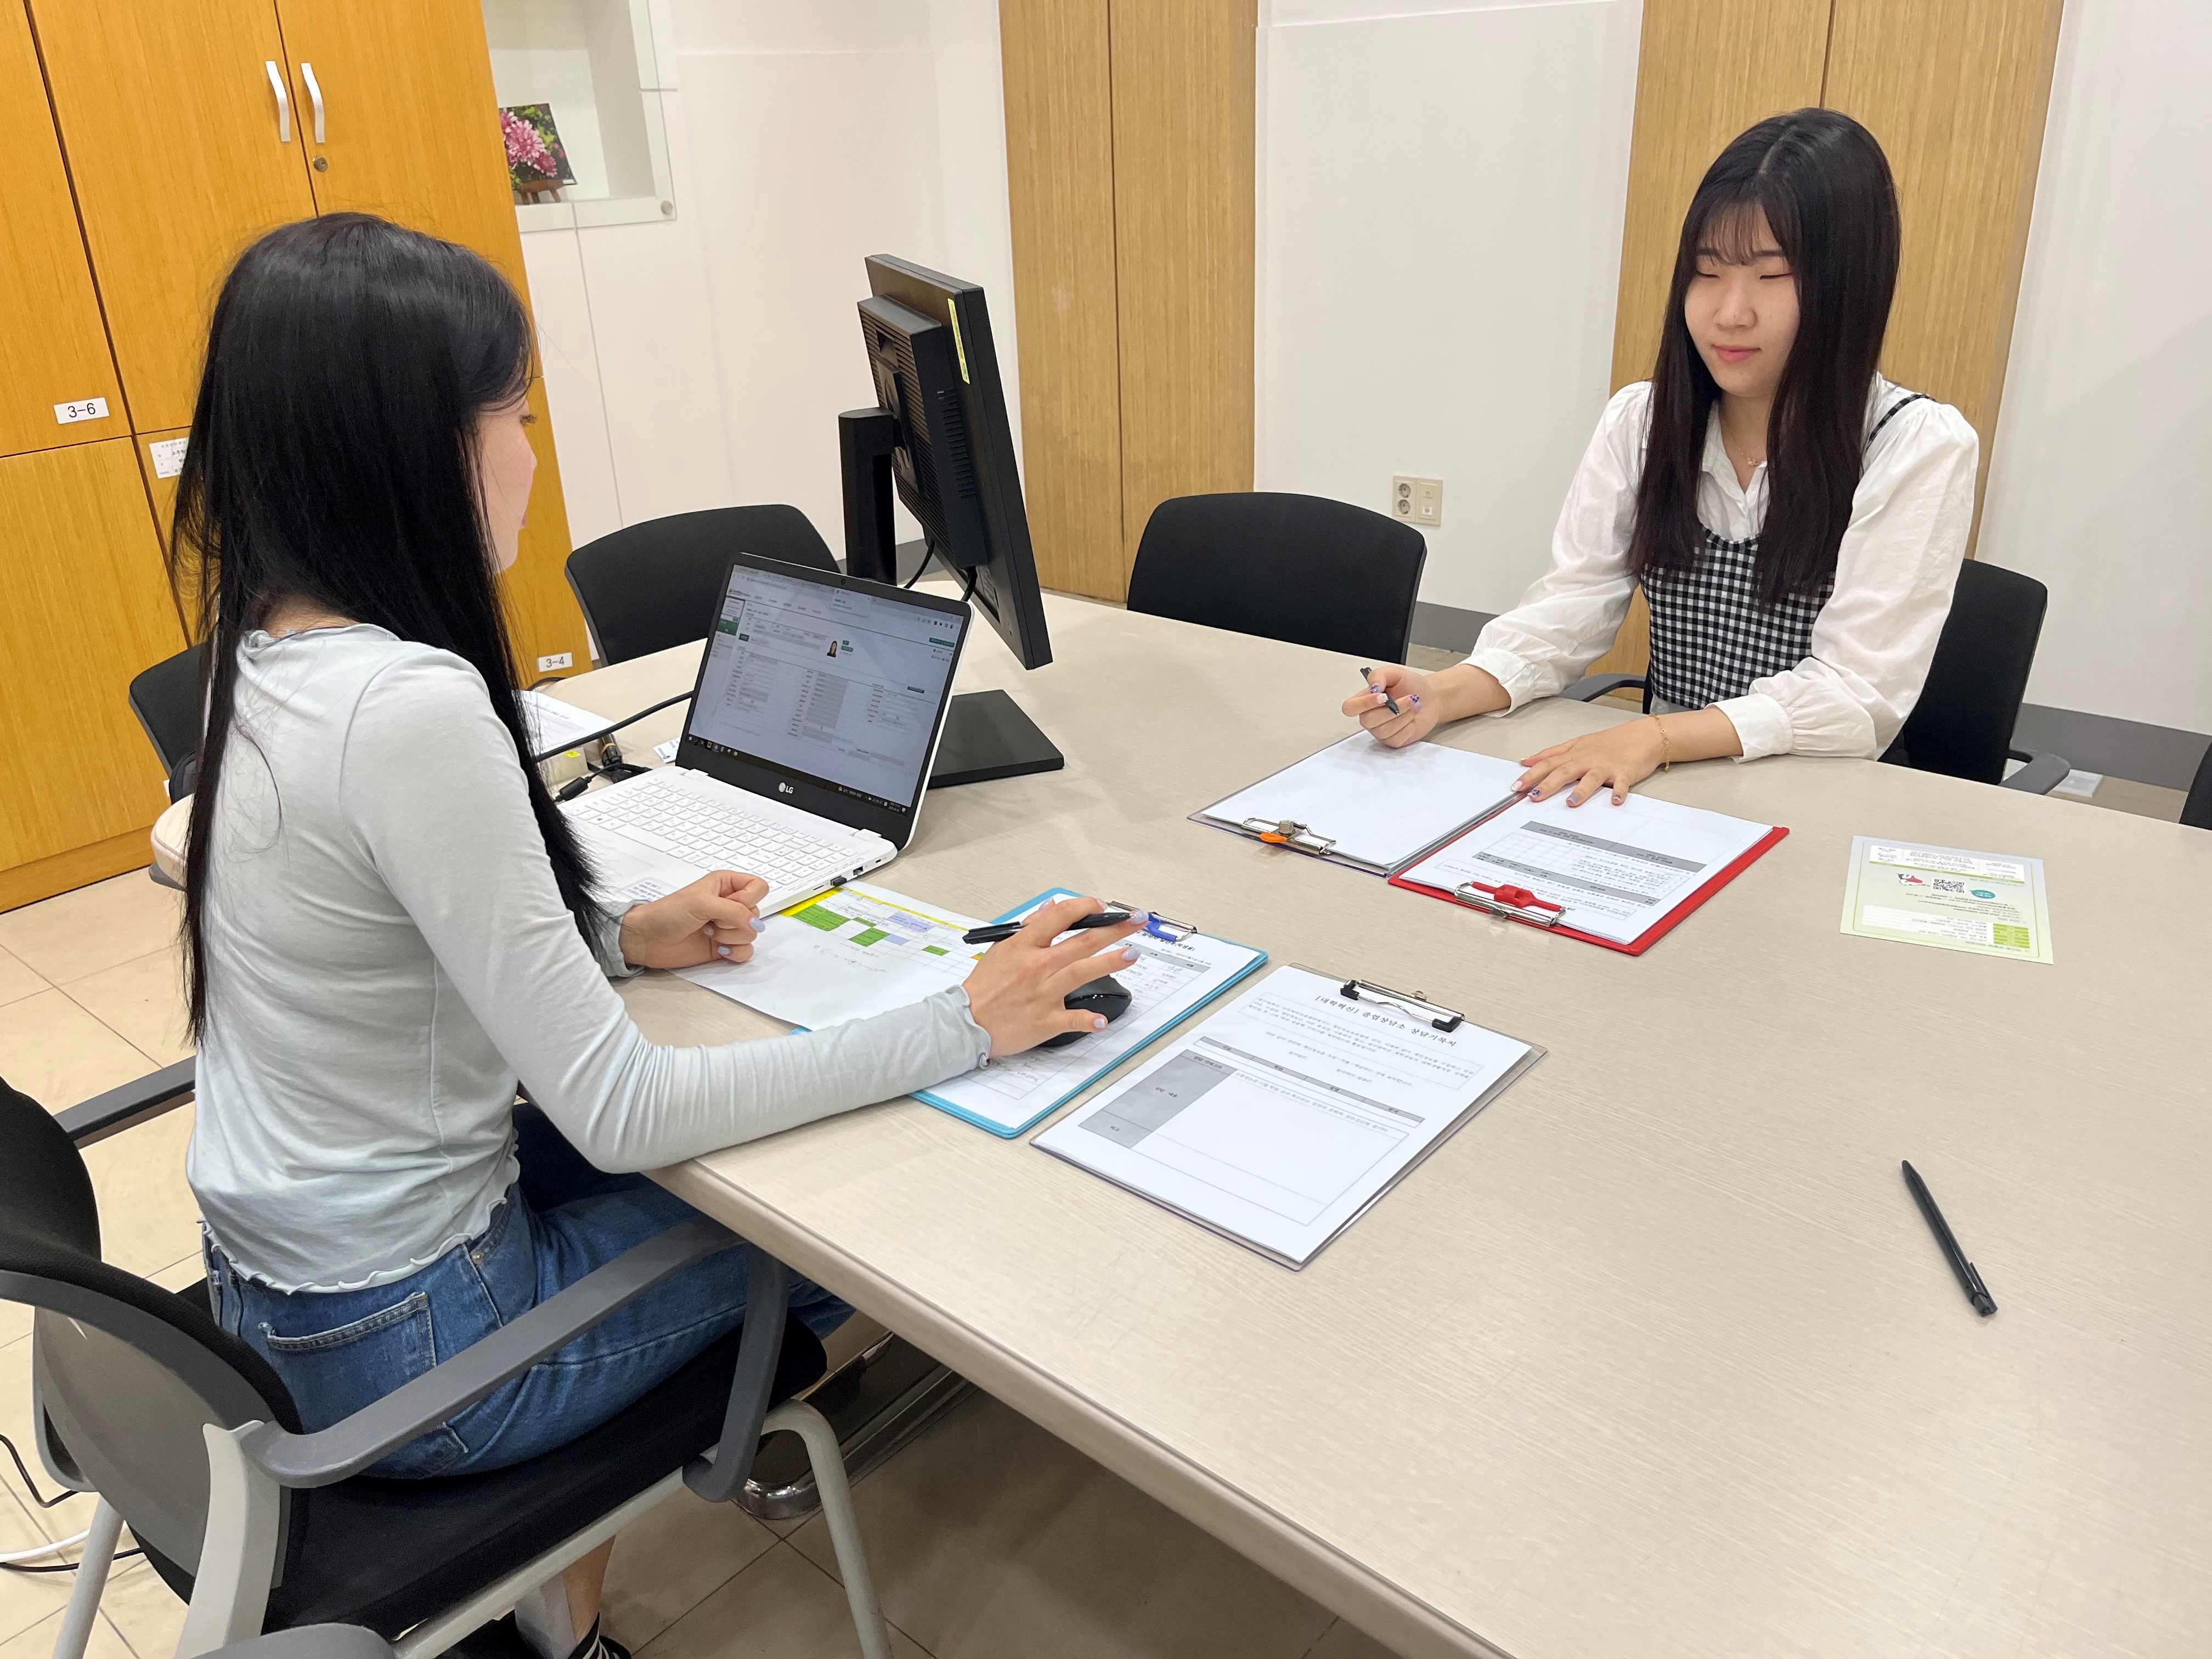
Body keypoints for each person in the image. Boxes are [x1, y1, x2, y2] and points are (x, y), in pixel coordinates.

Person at [169, 213, 1142, 1659]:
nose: (530, 452)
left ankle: (564, 1607)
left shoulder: (263, 652)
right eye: (514, 414)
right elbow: (623, 1113)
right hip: (415, 1352)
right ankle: (572, 1607)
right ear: (410, 450)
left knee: (768, 1136)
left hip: (276, 1302)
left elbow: (384, 923)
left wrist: (623, 935)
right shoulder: (409, 709)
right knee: (838, 1215)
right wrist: (967, 1020)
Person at [1345, 108, 1978, 806]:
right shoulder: (1644, 421)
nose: (1729, 312)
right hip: (1660, 792)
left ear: (1850, 287)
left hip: (1811, 798)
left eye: (1772, 276)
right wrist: (1443, 691)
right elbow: (1573, 605)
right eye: (1707, 272)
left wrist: (1658, 736)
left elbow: (1856, 697)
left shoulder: (1912, 445)